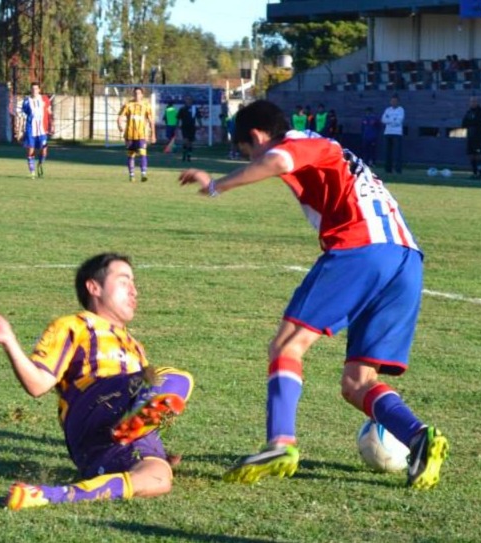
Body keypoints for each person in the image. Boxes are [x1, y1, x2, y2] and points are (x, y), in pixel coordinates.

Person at [179, 100, 448, 490]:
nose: (250, 158)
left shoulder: (299, 142)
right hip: (406, 260)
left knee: (286, 346)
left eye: (246, 150)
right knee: (357, 382)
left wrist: (217, 185)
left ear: (255, 137)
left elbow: (278, 162)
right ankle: (419, 437)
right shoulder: (327, 150)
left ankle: (280, 444)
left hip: (362, 248)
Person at [0, 252, 194, 511]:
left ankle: (47, 495)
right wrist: (9, 341)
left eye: (134, 284)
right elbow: (37, 384)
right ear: (94, 287)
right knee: (176, 378)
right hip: (92, 409)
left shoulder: (135, 347)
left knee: (158, 479)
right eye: (124, 281)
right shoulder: (75, 325)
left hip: (99, 447)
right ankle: (133, 431)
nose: (134, 291)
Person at [117, 86, 156, 181]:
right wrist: (119, 125)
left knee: (143, 153)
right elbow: (120, 117)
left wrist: (153, 134)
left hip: (141, 135)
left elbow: (151, 121)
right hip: (129, 135)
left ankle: (143, 174)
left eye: (139, 93)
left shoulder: (147, 106)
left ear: (142, 95)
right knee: (131, 155)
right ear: (133, 94)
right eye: (135, 93)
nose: (137, 95)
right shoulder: (128, 105)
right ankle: (132, 175)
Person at [19, 82, 53, 179]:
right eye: (32, 89)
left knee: (44, 151)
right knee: (30, 150)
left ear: (39, 90)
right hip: (31, 129)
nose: (34, 91)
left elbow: (49, 112)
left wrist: (51, 124)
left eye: (36, 89)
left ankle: (40, 164)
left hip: (42, 130)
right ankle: (32, 172)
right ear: (31, 90)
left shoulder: (45, 99)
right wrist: (20, 130)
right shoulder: (27, 101)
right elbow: (22, 116)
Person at [461, 96, 481, 180]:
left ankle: (480, 173)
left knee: (478, 155)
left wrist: (471, 122)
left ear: (477, 102)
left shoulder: (480, 111)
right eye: (471, 101)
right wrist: (471, 122)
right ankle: (474, 173)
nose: (473, 103)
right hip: (470, 136)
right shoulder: (469, 112)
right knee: (471, 155)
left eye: (474, 101)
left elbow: (478, 122)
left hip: (478, 137)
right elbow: (464, 123)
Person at [381, 94, 405, 174]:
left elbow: (399, 122)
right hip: (388, 132)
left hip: (397, 133)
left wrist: (389, 120)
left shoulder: (401, 110)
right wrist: (393, 120)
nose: (393, 102)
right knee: (388, 152)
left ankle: (398, 169)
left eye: (395, 101)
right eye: (392, 101)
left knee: (397, 152)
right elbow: (383, 120)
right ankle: (388, 169)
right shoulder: (388, 110)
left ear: (398, 102)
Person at [176, 95, 202, 162]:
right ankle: (184, 154)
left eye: (190, 99)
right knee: (185, 141)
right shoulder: (182, 109)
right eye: (187, 99)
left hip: (192, 127)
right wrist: (177, 126)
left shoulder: (195, 109)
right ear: (185, 101)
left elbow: (198, 118)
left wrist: (200, 125)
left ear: (191, 101)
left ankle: (189, 156)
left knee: (190, 142)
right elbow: (178, 118)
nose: (188, 101)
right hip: (184, 127)